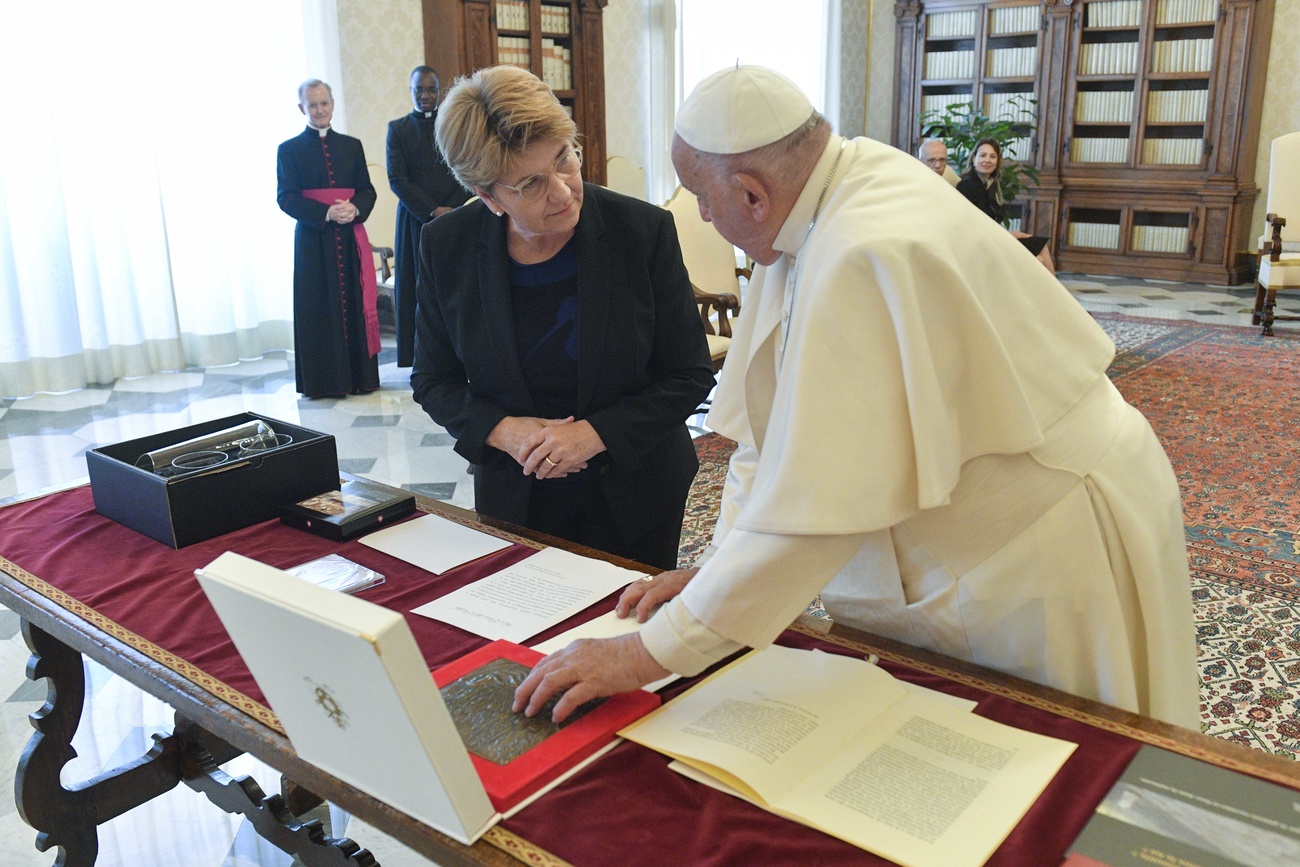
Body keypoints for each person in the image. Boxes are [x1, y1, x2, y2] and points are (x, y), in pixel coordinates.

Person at [514, 65, 1198, 731]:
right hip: (1006, 510)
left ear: (753, 194)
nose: (701, 214)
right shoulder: (825, 193)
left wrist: (645, 652)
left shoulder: (857, 249)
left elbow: (814, 514)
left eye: (703, 196)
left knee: (1056, 757)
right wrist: (716, 568)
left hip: (1043, 533)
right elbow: (767, 431)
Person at [411, 65, 715, 571]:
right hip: (517, 495)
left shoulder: (641, 232)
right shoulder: (447, 247)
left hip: (636, 492)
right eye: (531, 184)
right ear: (488, 196)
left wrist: (591, 436)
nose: (563, 190)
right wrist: (504, 431)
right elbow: (433, 380)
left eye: (565, 159)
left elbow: (689, 373)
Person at [276, 79, 380, 398]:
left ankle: (360, 378)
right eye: (313, 105)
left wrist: (354, 208)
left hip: (350, 240)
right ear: (301, 108)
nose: (320, 110)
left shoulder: (351, 145)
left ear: (333, 103)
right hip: (313, 242)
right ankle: (324, 382)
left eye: (325, 103)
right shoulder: (289, 149)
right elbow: (286, 197)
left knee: (353, 302)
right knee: (318, 307)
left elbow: (367, 190)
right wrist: (326, 213)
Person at [386, 66, 470, 368]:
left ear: (439, 91)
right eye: (419, 89)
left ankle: (458, 356)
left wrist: (451, 210)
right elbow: (397, 179)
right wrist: (433, 210)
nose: (425, 95)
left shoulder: (453, 126)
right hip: (414, 220)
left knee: (455, 286)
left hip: (456, 217)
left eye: (431, 89)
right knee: (416, 288)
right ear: (410, 91)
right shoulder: (398, 129)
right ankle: (415, 357)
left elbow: (464, 168)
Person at [957, 137, 1056, 272]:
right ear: (974, 159)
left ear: (997, 161)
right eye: (983, 155)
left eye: (992, 156)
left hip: (991, 237)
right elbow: (975, 222)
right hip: (978, 242)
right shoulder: (966, 185)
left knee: (1040, 247)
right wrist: (1007, 236)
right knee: (1038, 257)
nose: (987, 160)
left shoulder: (993, 184)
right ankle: (1053, 292)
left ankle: (1053, 291)